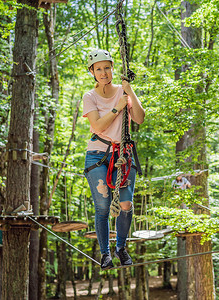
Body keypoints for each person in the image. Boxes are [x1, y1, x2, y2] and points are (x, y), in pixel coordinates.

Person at [82, 49, 145, 270]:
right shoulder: (90, 96)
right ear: (92, 72)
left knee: (126, 204)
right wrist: (118, 107)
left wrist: (130, 92)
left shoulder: (123, 92)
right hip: (98, 155)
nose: (104, 72)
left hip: (123, 154)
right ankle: (105, 253)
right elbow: (98, 126)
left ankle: (121, 247)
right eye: (98, 69)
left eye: (107, 67)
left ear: (112, 68)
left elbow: (139, 118)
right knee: (103, 206)